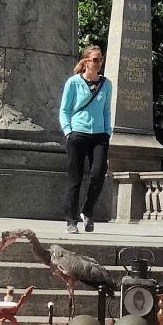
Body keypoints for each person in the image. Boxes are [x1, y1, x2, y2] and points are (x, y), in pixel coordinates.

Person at [59, 46, 112, 233]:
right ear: (86, 62)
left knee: (99, 174)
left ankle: (87, 210)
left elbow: (106, 111)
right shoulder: (73, 82)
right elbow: (64, 110)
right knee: (75, 179)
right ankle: (70, 221)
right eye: (95, 60)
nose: (99, 63)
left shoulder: (106, 84)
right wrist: (68, 131)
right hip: (78, 134)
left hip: (99, 136)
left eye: (101, 59)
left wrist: (107, 132)